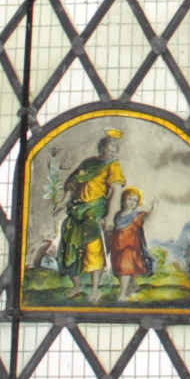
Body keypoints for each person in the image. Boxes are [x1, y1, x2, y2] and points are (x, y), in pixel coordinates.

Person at [55, 130, 126, 303]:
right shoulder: (89, 163)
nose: (108, 153)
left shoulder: (113, 166)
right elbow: (72, 184)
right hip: (76, 210)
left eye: (112, 151)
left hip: (95, 211)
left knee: (94, 251)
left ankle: (95, 290)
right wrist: (64, 202)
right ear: (100, 148)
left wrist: (110, 216)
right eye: (106, 149)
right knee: (69, 248)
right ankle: (77, 285)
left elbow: (116, 191)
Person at [106, 187, 155, 302]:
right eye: (130, 199)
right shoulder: (118, 215)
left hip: (130, 247)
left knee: (126, 269)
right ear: (124, 200)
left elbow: (147, 217)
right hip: (117, 247)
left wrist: (154, 208)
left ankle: (122, 295)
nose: (132, 203)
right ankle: (132, 287)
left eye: (135, 200)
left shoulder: (137, 215)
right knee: (119, 270)